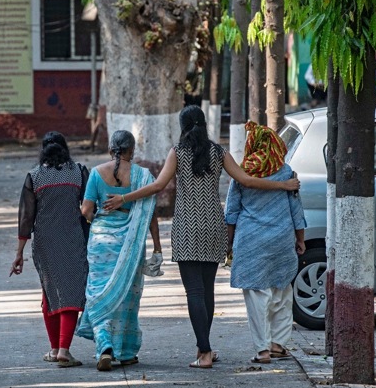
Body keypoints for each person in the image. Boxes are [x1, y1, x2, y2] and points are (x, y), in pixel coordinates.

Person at [103, 105, 300, 369]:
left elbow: (158, 185)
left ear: (183, 126)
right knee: (206, 292)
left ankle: (205, 352)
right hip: (213, 227)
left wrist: (124, 198)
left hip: (186, 228)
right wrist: (283, 185)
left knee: (194, 292)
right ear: (205, 124)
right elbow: (246, 180)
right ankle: (203, 347)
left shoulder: (178, 152)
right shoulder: (219, 152)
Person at [75, 130, 163, 372]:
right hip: (131, 243)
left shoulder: (95, 173)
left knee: (98, 291)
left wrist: (96, 221)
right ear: (132, 150)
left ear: (111, 148)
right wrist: (157, 246)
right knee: (127, 296)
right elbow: (151, 215)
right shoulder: (143, 176)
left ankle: (104, 345)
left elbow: (86, 211)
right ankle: (125, 352)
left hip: (101, 241)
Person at [225, 121, 306, 364]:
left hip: (251, 241)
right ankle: (278, 345)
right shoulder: (286, 172)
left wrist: (228, 244)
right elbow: (296, 212)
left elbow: (231, 213)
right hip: (281, 239)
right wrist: (300, 240)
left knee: (257, 296)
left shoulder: (242, 172)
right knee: (282, 291)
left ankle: (262, 350)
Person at [9, 131, 89, 368]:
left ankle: (55, 349)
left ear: (43, 150)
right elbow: (88, 207)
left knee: (50, 292)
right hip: (73, 239)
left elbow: (26, 217)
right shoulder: (79, 172)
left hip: (44, 242)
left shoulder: (34, 177)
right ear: (66, 149)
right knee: (71, 292)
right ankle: (64, 350)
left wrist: (19, 252)